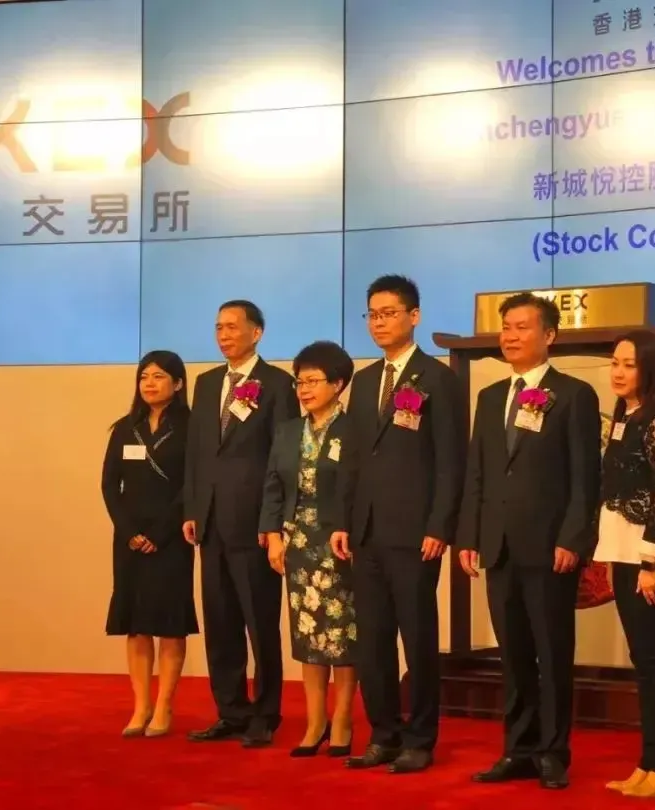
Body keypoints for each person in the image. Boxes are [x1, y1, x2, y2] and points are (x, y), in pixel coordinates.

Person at [456, 292, 601, 790]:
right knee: (513, 654)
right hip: (498, 546)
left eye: (522, 327)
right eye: (506, 328)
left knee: (552, 653)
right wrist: (469, 535)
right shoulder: (490, 396)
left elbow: (586, 478)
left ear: (549, 335)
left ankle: (553, 753)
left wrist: (573, 538)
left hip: (549, 547)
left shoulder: (574, 395)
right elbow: (478, 473)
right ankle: (517, 749)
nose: (511, 336)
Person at [330, 275, 465, 774]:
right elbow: (352, 460)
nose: (379, 323)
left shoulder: (438, 379)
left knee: (418, 638)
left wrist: (440, 525)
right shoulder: (365, 381)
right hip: (365, 532)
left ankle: (421, 738)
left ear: (414, 316)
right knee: (373, 640)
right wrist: (343, 520)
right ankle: (383, 734)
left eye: (389, 313)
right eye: (372, 314)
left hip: (415, 534)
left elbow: (451, 460)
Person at [182, 300, 299, 748]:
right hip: (211, 522)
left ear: (257, 332)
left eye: (233, 327)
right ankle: (230, 710)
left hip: (254, 525)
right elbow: (197, 453)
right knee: (220, 623)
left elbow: (283, 456)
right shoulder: (207, 383)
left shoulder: (278, 384)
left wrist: (275, 522)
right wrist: (193, 509)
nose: (224, 335)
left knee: (260, 623)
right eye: (218, 328)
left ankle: (265, 714)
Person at [595, 331, 655, 798]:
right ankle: (649, 762)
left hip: (653, 557)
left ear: (650, 369)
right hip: (624, 552)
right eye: (615, 362)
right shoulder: (626, 415)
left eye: (629, 364)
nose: (618, 372)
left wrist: (650, 561)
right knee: (644, 663)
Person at [259, 341, 358, 758]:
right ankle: (315, 721)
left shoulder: (354, 429)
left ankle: (343, 719)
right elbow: (273, 486)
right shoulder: (287, 431)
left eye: (313, 381)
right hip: (298, 541)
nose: (304, 389)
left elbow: (360, 488)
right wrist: (273, 535)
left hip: (340, 542)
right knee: (307, 635)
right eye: (300, 382)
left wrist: (352, 530)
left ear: (338, 384)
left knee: (343, 634)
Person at [102, 349, 198, 738]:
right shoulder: (126, 428)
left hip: (171, 537)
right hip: (130, 539)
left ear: (178, 383)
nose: (149, 383)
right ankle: (141, 706)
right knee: (137, 624)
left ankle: (164, 706)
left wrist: (160, 533)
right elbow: (110, 485)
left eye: (159, 376)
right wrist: (129, 531)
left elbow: (192, 485)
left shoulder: (193, 427)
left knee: (170, 624)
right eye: (144, 376)